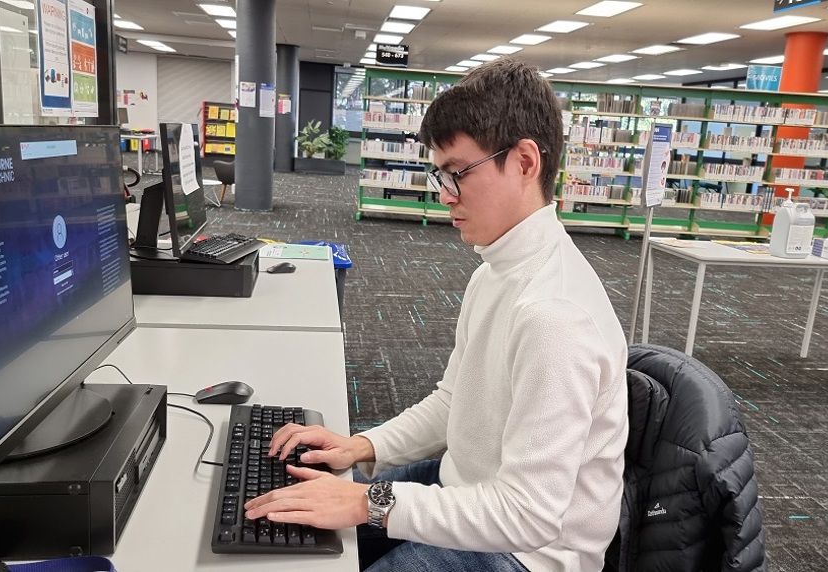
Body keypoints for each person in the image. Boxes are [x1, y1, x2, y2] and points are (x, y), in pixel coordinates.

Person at [244, 58, 629, 572]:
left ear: (524, 162)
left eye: (457, 174)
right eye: (439, 175)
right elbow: (455, 402)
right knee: (297, 521)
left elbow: (529, 515)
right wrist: (361, 446)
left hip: (528, 552)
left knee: (330, 523)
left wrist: (366, 503)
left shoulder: (553, 317)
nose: (445, 195)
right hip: (469, 488)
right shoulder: (494, 271)